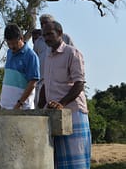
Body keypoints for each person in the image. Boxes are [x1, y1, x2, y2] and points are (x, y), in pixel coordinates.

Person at [38, 21, 91, 168]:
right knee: (58, 162)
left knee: (76, 163)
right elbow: (45, 83)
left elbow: (79, 84)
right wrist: (39, 106)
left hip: (73, 113)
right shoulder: (47, 56)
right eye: (44, 35)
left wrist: (62, 104)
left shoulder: (72, 53)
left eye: (50, 34)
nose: (47, 38)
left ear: (60, 33)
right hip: (55, 115)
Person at [33, 14, 74, 108]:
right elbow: (35, 60)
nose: (43, 26)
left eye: (46, 23)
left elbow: (72, 58)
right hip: (42, 83)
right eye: (41, 24)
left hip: (62, 84)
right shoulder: (38, 42)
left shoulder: (65, 38)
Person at [0, 23, 40, 110]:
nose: (11, 46)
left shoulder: (31, 56)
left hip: (22, 108)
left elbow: (33, 82)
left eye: (14, 43)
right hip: (5, 107)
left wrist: (20, 103)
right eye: (9, 44)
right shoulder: (9, 52)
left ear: (21, 38)